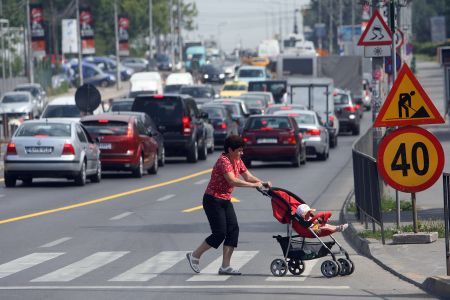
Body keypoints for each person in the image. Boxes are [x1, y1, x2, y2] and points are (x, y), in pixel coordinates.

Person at [186, 135, 271, 275]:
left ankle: (225, 266)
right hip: (212, 200)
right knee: (219, 233)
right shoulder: (223, 161)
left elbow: (248, 176)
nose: (241, 153)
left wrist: (262, 183)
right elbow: (233, 181)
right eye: (239, 150)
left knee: (233, 230)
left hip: (225, 200)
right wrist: (254, 185)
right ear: (230, 150)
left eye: (242, 150)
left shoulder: (237, 160)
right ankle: (194, 255)